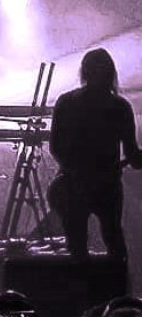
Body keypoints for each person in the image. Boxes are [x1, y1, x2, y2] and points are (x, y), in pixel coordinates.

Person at [48, 48, 142, 261]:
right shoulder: (120, 107)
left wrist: (75, 172)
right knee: (114, 239)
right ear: (111, 73)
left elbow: (55, 147)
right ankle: (117, 281)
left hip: (73, 185)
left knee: (77, 247)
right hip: (107, 185)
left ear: (84, 72)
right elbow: (134, 157)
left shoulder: (66, 102)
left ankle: (81, 281)